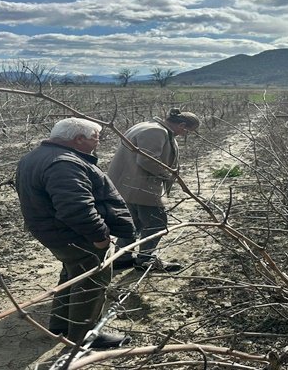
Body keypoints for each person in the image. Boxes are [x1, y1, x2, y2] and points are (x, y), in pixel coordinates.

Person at [15, 117, 135, 348]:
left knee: (72, 272)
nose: (97, 143)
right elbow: (76, 208)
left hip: (52, 231)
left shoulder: (35, 156)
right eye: (95, 139)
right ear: (78, 139)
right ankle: (85, 336)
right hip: (73, 234)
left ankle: (61, 324)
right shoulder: (64, 164)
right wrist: (99, 237)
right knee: (91, 280)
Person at [107, 108, 200, 272]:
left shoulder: (147, 126)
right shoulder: (156, 131)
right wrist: (168, 175)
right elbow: (147, 160)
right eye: (188, 131)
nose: (186, 135)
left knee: (132, 224)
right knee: (156, 224)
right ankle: (145, 261)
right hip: (141, 187)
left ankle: (122, 258)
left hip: (128, 185)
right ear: (182, 125)